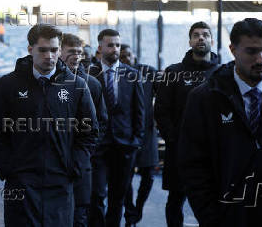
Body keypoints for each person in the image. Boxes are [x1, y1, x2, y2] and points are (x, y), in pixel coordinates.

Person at [178, 18, 262, 227]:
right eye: (251, 51)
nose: (260, 59)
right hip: (226, 217)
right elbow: (192, 164)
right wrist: (211, 217)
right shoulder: (204, 98)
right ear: (233, 49)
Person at [0, 24, 98, 226]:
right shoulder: (8, 85)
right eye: (43, 50)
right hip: (21, 183)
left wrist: (74, 167)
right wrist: (8, 167)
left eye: (54, 50)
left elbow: (90, 132)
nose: (49, 56)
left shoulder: (76, 86)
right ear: (30, 50)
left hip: (60, 183)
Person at [154, 21, 219, 227]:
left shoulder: (223, 73)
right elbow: (161, 111)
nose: (201, 38)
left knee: (214, 202)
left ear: (212, 40)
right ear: (190, 41)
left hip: (214, 153)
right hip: (181, 151)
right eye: (196, 35)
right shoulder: (174, 72)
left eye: (205, 35)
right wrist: (174, 140)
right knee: (176, 201)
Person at [88, 29, 145, 227]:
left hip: (125, 147)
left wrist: (136, 141)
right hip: (98, 147)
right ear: (100, 47)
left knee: (117, 197)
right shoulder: (89, 74)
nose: (115, 49)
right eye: (110, 45)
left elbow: (139, 112)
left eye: (118, 45)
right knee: (96, 195)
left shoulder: (133, 75)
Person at [60, 33, 108, 227]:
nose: (76, 56)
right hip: (52, 164)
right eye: (71, 52)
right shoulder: (47, 83)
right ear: (59, 52)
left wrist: (84, 152)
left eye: (79, 52)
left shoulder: (93, 84)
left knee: (80, 214)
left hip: (81, 165)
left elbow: (101, 123)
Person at [119, 44, 159, 227]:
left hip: (148, 132)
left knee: (149, 174)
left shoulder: (148, 72)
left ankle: (138, 209)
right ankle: (129, 210)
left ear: (134, 55)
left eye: (128, 55)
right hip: (126, 133)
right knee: (125, 176)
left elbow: (165, 96)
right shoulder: (117, 76)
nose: (126, 59)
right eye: (123, 56)